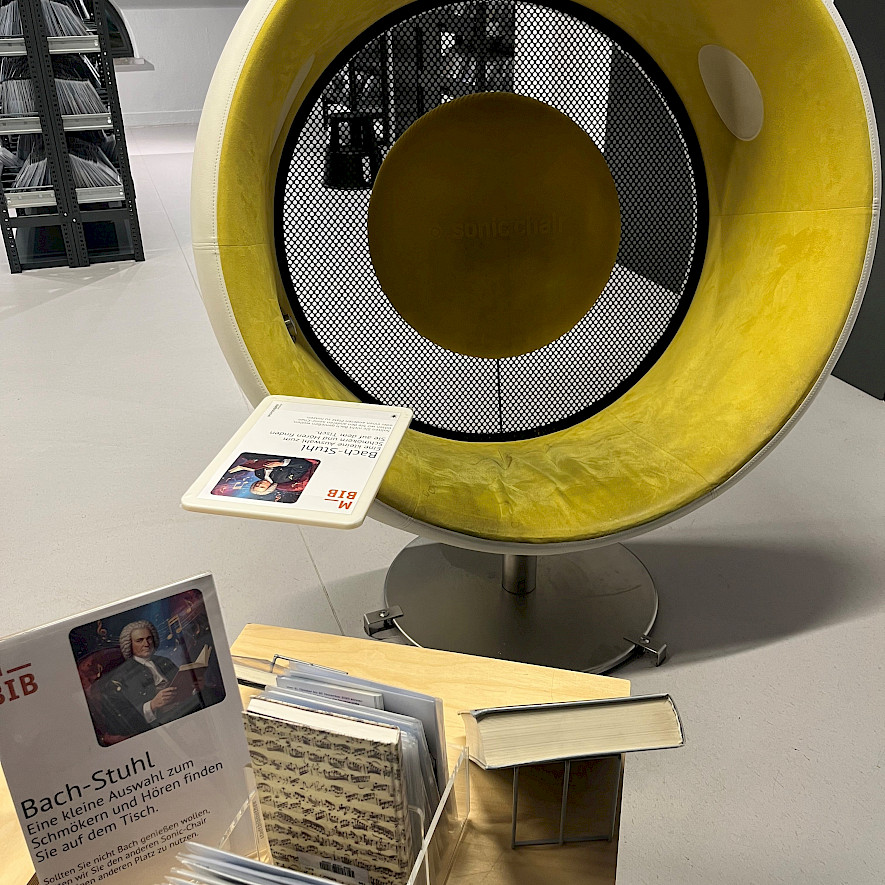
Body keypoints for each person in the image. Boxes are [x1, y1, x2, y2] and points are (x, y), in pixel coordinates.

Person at [96, 620, 202, 736]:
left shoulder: (164, 661)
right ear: (129, 645)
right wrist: (152, 705)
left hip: (188, 714)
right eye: (139, 640)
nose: (146, 644)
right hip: (159, 730)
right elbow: (123, 720)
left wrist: (193, 688)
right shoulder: (122, 676)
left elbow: (181, 686)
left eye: (149, 638)